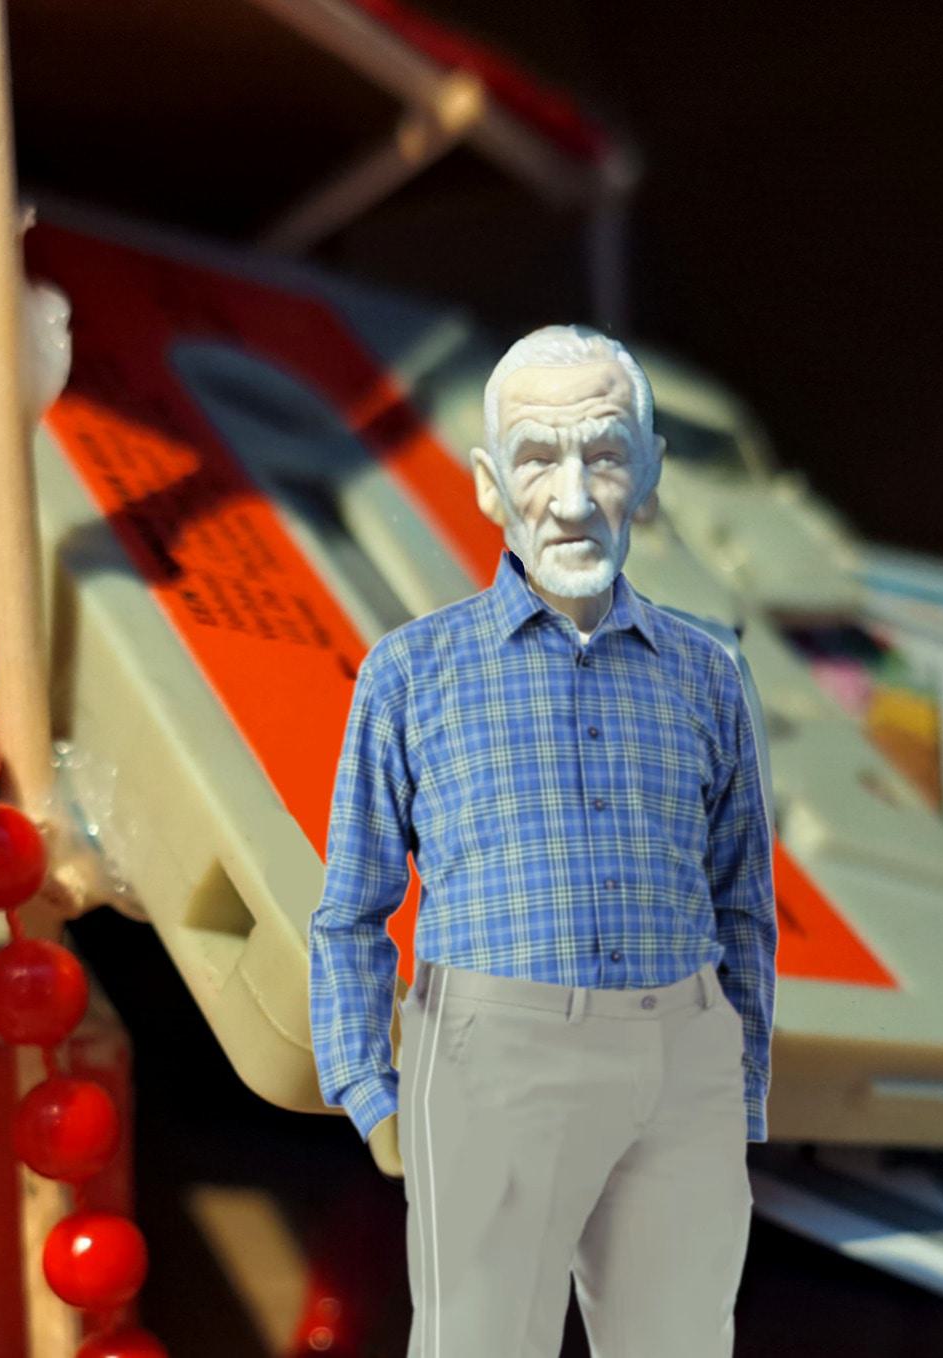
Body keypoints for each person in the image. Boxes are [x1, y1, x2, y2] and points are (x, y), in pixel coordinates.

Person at [308, 325, 776, 1357]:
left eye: (604, 454)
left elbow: (742, 901)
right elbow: (352, 910)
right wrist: (371, 1094)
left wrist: (738, 1086)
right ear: (488, 484)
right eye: (535, 458)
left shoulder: (709, 674)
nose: (570, 498)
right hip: (491, 1058)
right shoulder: (410, 673)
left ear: (647, 471)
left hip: (681, 1051)